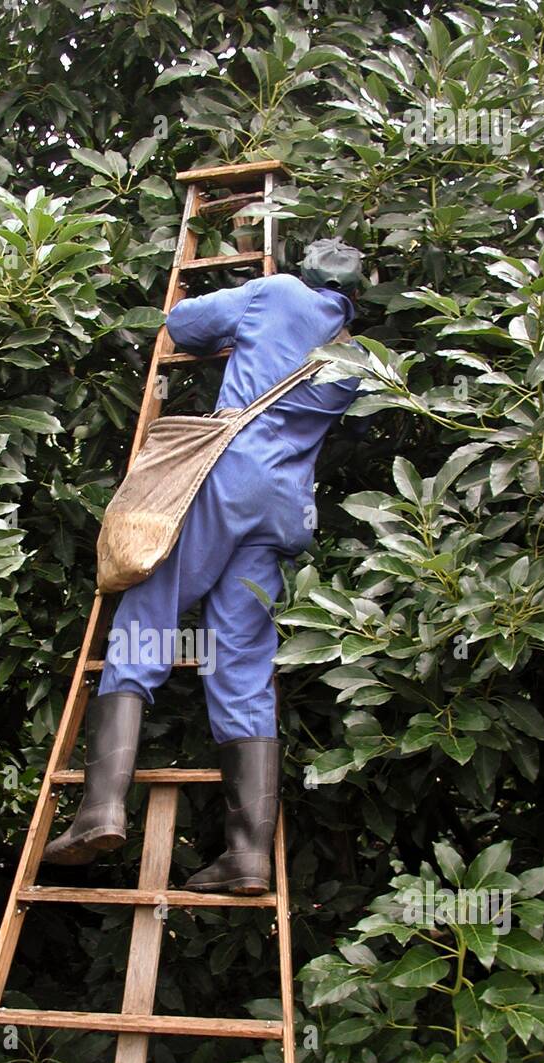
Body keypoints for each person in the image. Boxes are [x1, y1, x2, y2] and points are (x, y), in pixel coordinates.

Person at [43, 237, 367, 894]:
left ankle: (101, 809)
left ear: (304, 271)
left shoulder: (278, 294)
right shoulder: (357, 360)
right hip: (283, 510)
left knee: (146, 615)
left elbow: (183, 323)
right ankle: (247, 856)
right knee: (242, 663)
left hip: (227, 478)